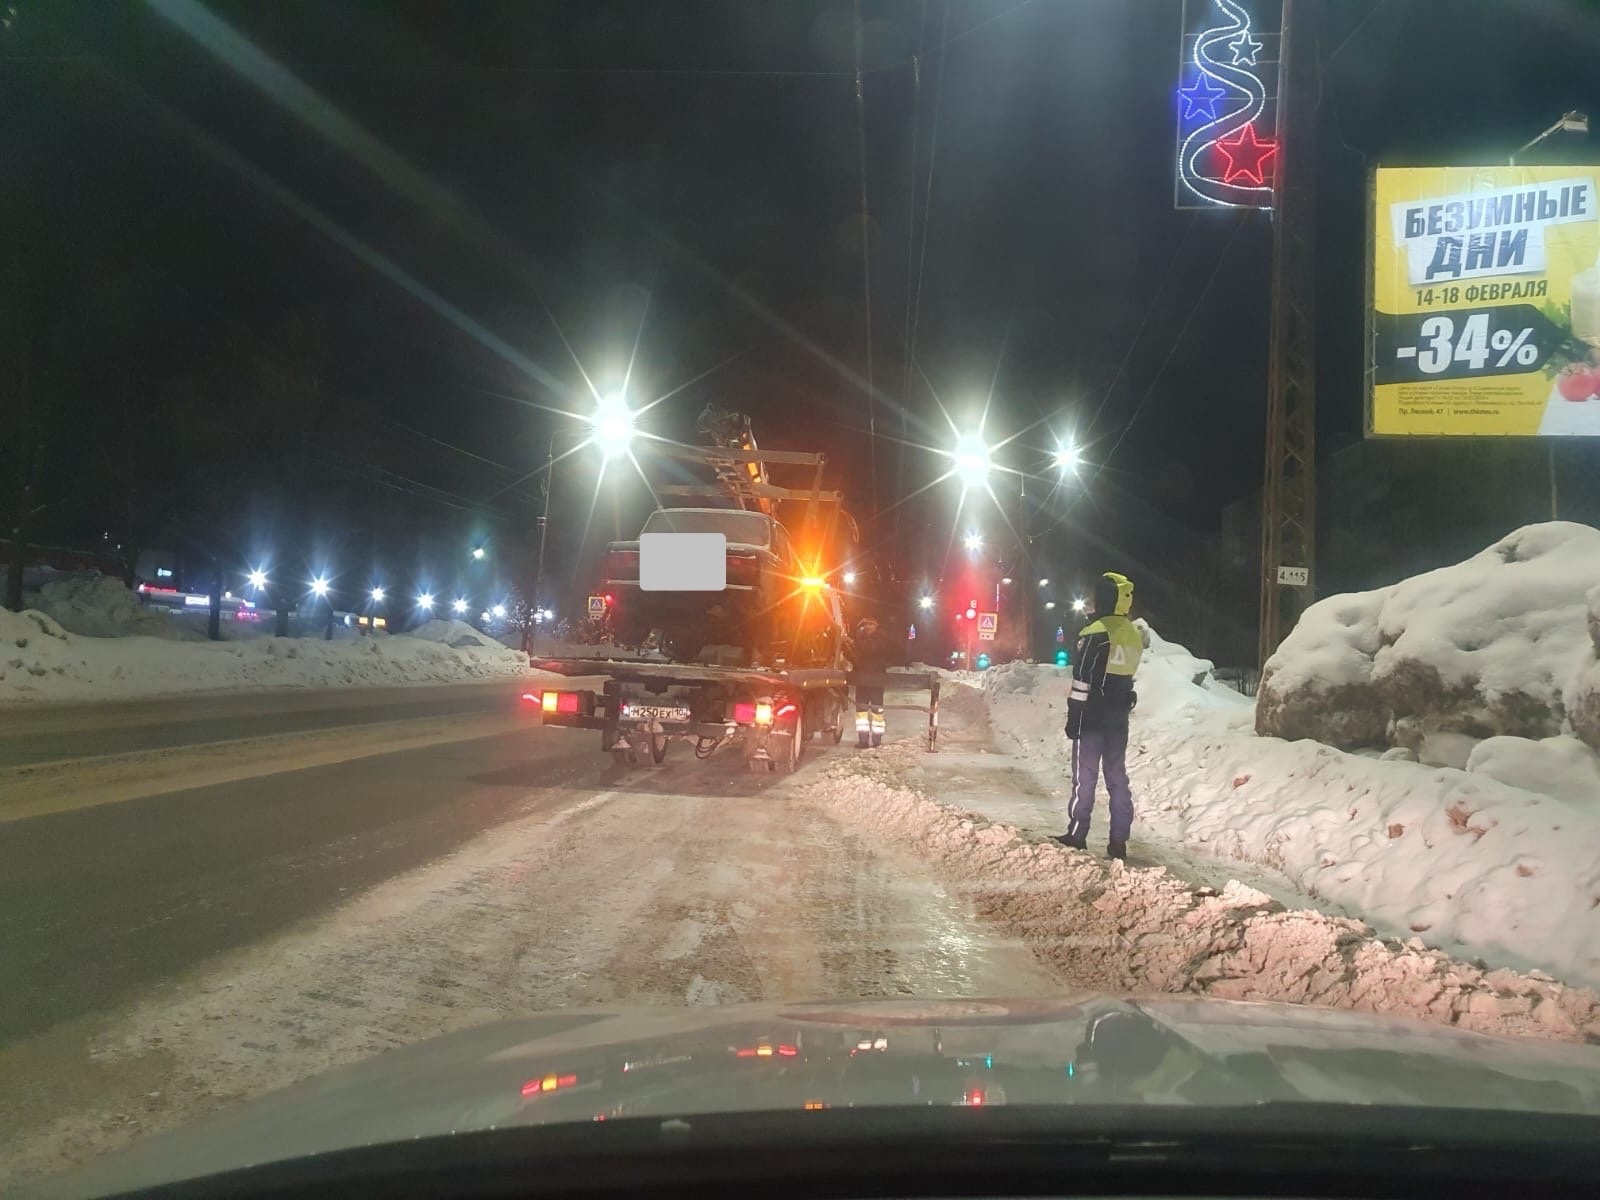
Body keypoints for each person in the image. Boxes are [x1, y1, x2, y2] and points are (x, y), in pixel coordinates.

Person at [1059, 571, 1142, 859]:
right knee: (1117, 776)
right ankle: (1119, 840)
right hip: (1119, 717)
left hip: (1092, 716)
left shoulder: (1094, 631)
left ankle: (1077, 833)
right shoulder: (1133, 633)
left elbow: (1082, 678)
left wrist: (1074, 716)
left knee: (1086, 776)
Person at [845, 615, 893, 748]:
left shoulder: (880, 639)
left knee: (877, 710)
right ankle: (863, 740)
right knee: (861, 712)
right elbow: (856, 658)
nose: (867, 627)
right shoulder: (860, 640)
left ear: (875, 626)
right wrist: (848, 647)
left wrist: (854, 643)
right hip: (862, 681)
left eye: (870, 625)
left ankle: (877, 740)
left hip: (876, 681)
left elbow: (871, 650)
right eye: (865, 625)